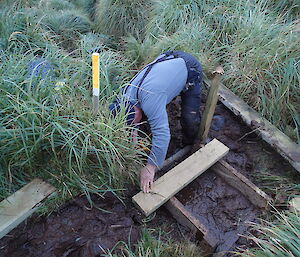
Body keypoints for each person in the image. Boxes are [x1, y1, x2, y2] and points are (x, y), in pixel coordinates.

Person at [109, 50, 203, 193]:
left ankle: (191, 142)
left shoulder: (150, 100)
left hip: (188, 67)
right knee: (145, 117)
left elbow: (162, 134)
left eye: (134, 120)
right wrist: (133, 145)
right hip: (166, 65)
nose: (135, 124)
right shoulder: (124, 96)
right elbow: (132, 123)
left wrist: (150, 167)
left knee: (189, 119)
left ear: (134, 109)